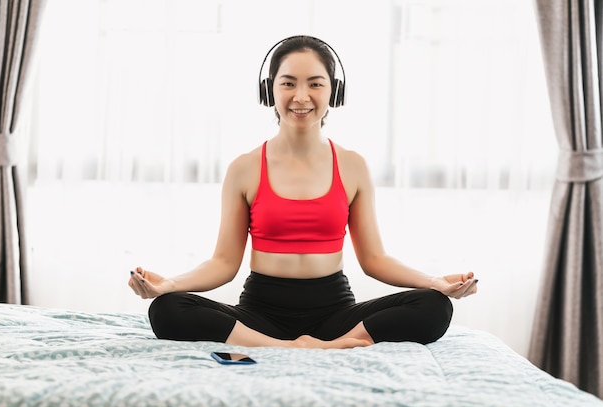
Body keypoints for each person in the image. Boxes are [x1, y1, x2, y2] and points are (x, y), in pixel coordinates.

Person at [128, 35, 478, 349]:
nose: (301, 96)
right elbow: (223, 263)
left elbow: (374, 260)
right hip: (260, 315)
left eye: (315, 84)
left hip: (334, 314)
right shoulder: (244, 168)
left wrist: (434, 282)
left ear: (333, 92)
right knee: (167, 309)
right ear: (269, 91)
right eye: (288, 83)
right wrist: (169, 284)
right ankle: (284, 347)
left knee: (434, 305)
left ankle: (335, 344)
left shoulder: (353, 165)